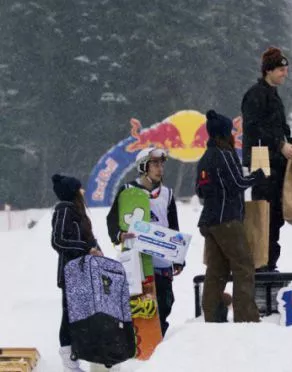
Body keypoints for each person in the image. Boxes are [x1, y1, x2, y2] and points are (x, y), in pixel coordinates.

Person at [196, 109, 266, 323]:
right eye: (231, 131)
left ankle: (212, 314)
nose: (233, 135)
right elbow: (237, 183)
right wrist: (257, 176)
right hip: (226, 220)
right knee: (243, 265)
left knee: (217, 269)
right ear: (224, 133)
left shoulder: (205, 157)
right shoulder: (224, 154)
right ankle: (246, 317)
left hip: (209, 221)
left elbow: (200, 191)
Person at [106, 146, 183, 336]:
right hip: (139, 261)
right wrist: (119, 235)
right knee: (141, 304)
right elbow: (112, 219)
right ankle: (136, 339)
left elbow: (174, 227)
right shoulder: (128, 191)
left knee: (166, 303)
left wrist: (178, 257)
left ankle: (159, 338)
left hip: (162, 260)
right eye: (155, 164)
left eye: (161, 164)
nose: (160, 168)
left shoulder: (167, 194)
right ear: (143, 167)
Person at [241, 46, 292, 272]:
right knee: (262, 212)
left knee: (275, 214)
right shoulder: (255, 95)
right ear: (268, 70)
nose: (285, 73)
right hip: (261, 160)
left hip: (277, 162)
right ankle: (260, 262)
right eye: (280, 70)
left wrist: (291, 139)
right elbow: (255, 128)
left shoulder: (274, 95)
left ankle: (270, 261)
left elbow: (279, 124)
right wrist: (279, 143)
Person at [51, 174, 103, 372]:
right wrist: (85, 249)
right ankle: (69, 362)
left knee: (84, 315)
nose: (83, 191)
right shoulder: (64, 210)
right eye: (79, 188)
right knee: (70, 316)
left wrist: (96, 249)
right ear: (73, 192)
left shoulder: (79, 212)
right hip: (71, 272)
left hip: (84, 271)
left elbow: (88, 239)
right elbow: (58, 241)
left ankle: (83, 356)